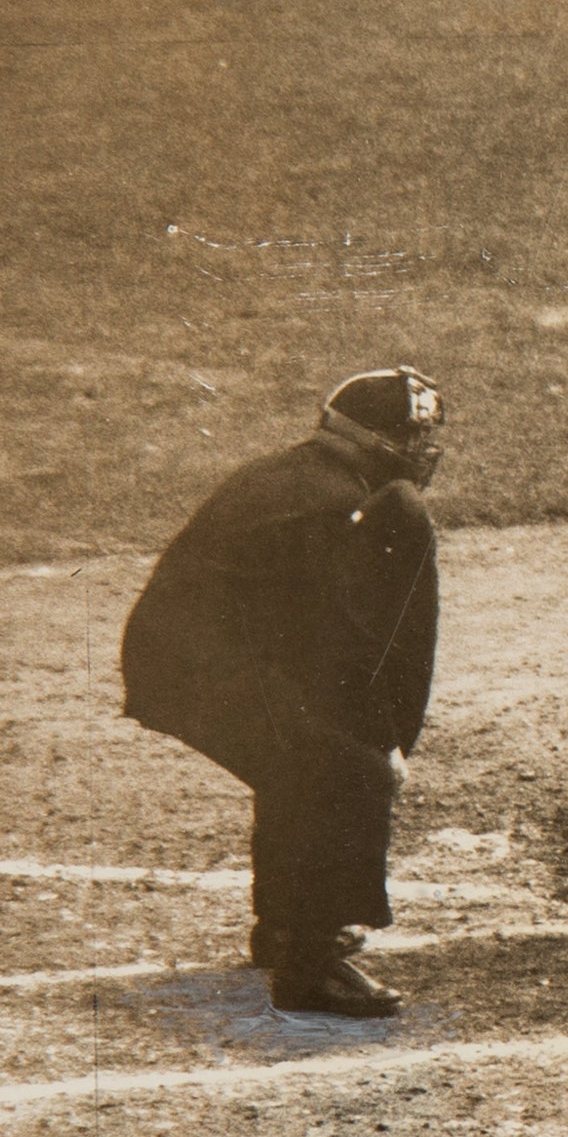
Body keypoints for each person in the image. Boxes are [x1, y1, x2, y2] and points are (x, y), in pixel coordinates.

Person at [120, 368, 445, 1019]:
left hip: (182, 656)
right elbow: (346, 647)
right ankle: (311, 962)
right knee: (341, 765)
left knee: (299, 751)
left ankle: (281, 926)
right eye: (413, 436)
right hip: (198, 665)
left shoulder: (301, 477)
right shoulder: (351, 508)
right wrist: (382, 746)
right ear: (376, 440)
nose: (423, 450)